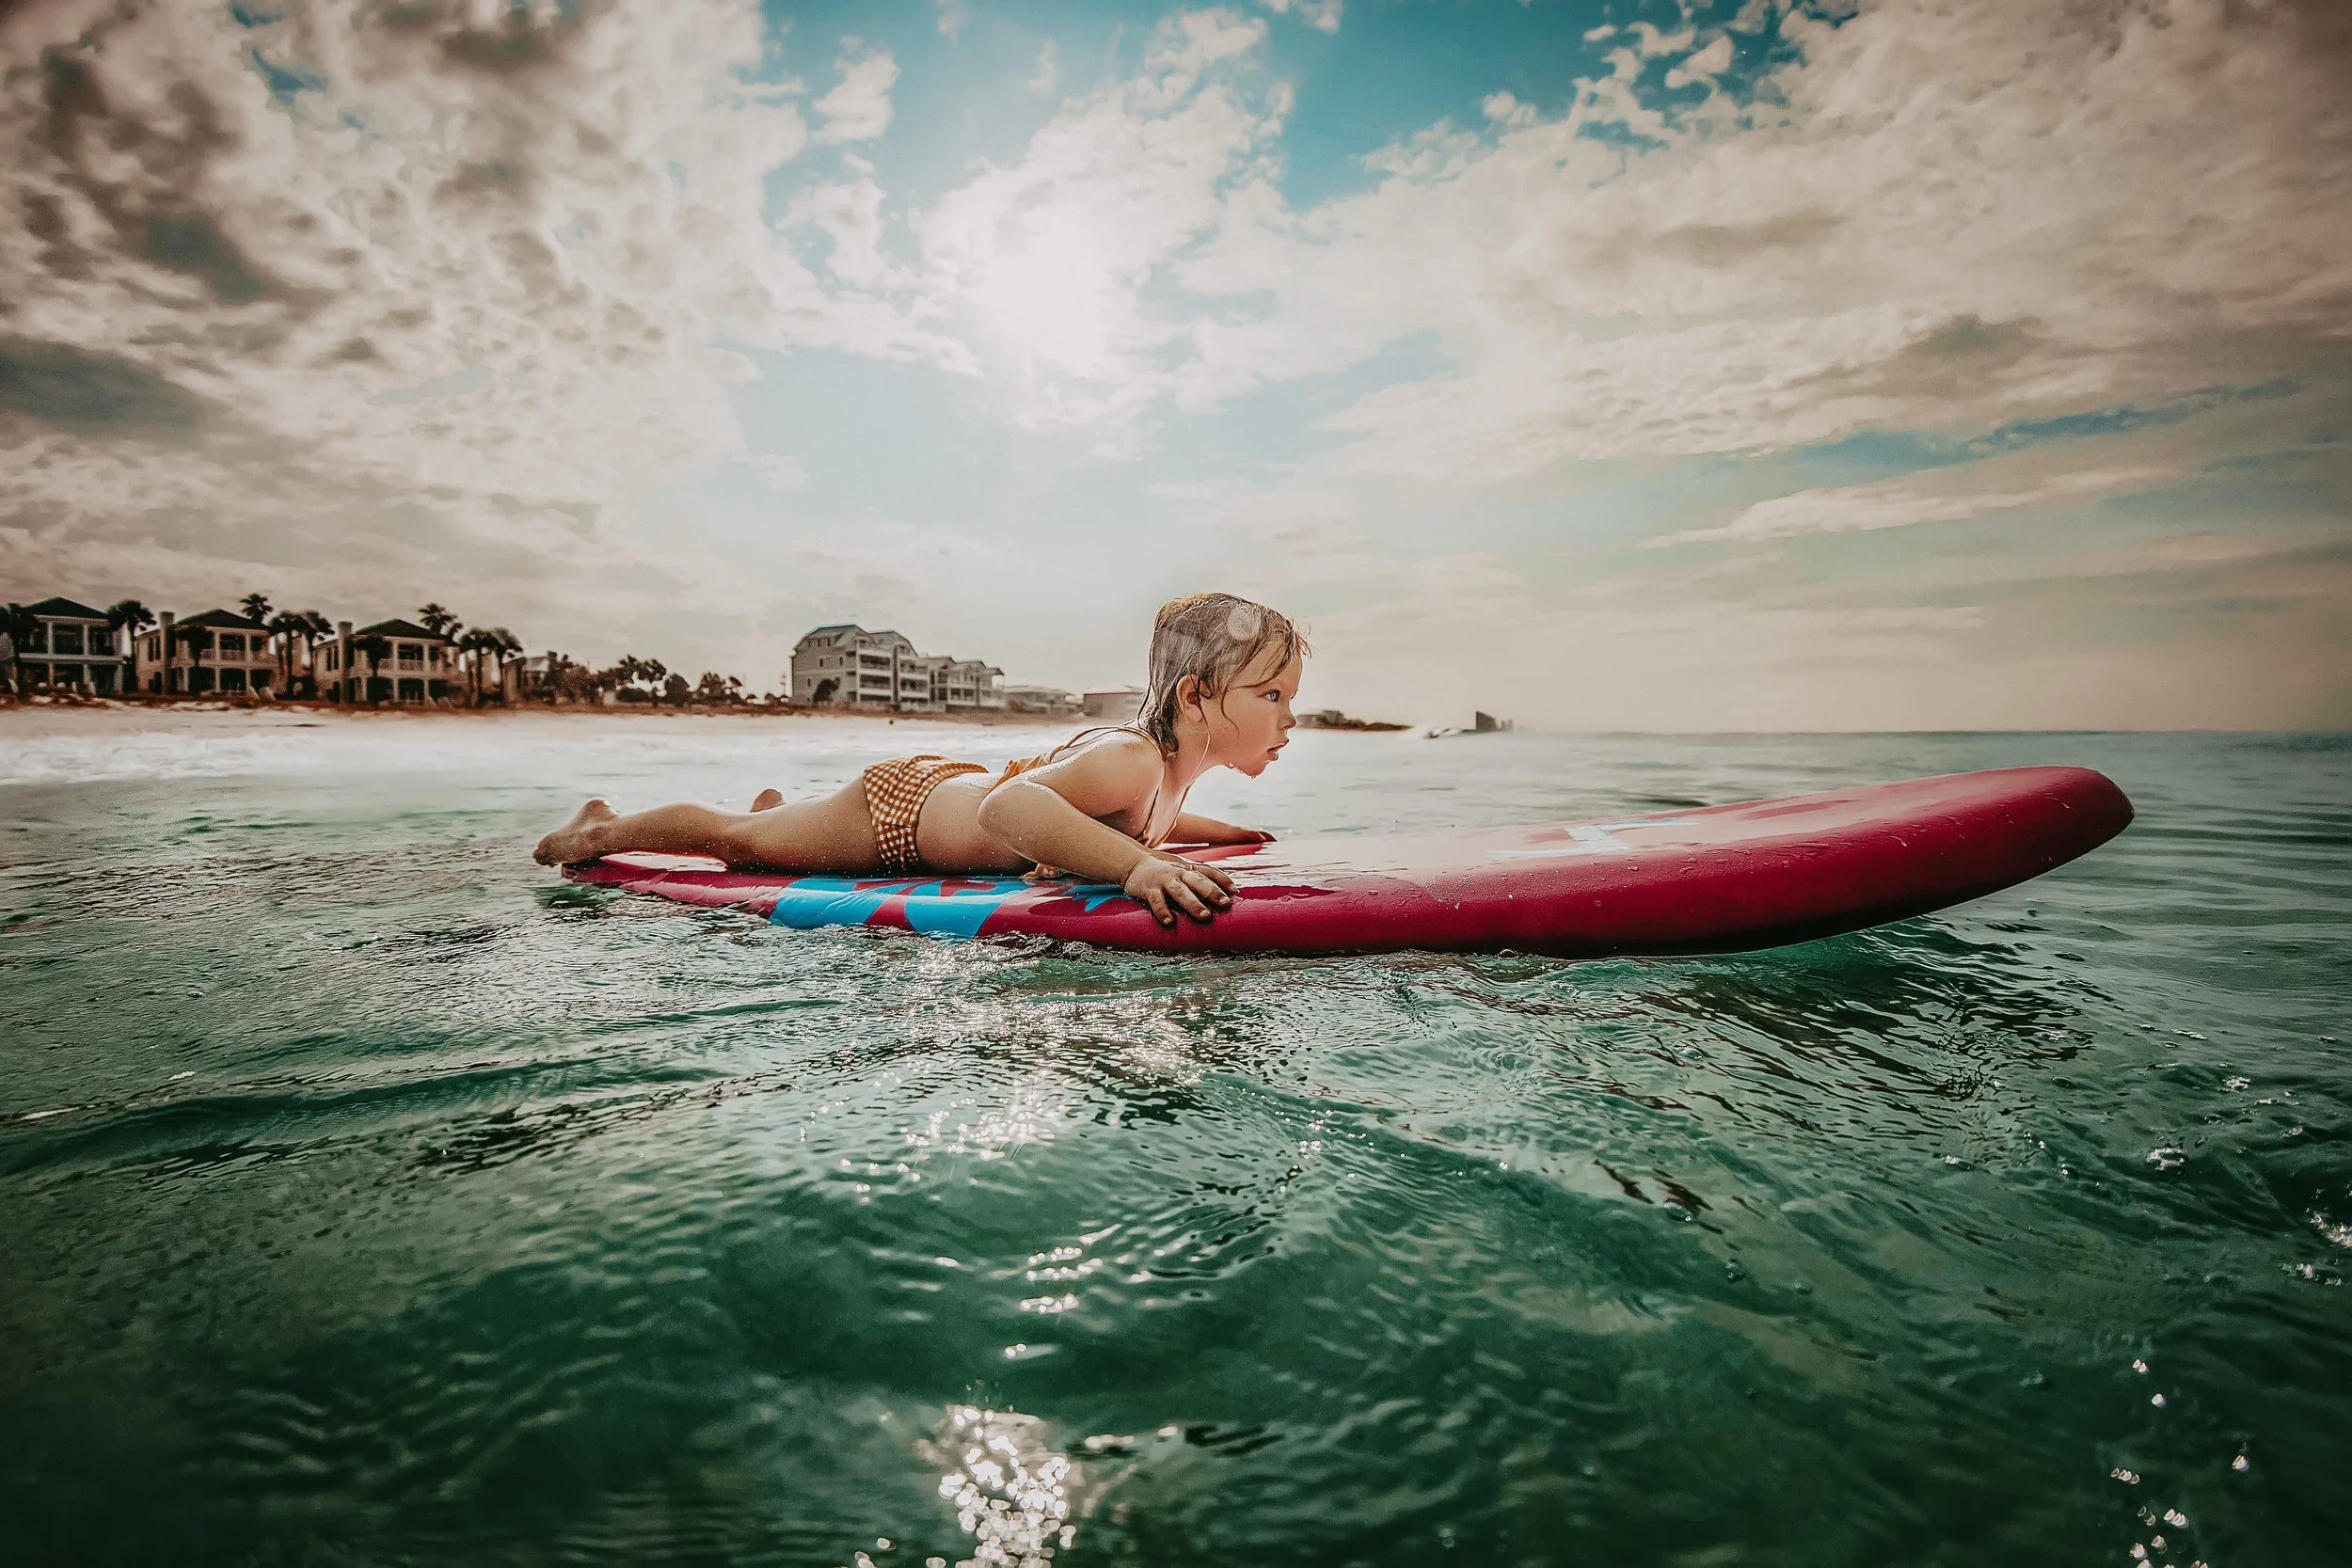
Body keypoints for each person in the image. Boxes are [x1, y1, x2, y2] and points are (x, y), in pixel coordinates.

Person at [532, 594, 1304, 927]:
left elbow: (1124, 822)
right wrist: (1140, 870)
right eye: (1271, 695)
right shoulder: (1132, 758)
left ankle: (783, 817)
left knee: (774, 835)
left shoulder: (1162, 781)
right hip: (900, 817)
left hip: (939, 798)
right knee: (737, 844)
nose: (1290, 717)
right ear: (1198, 697)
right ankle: (599, 829)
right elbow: (1012, 810)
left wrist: (1215, 830)